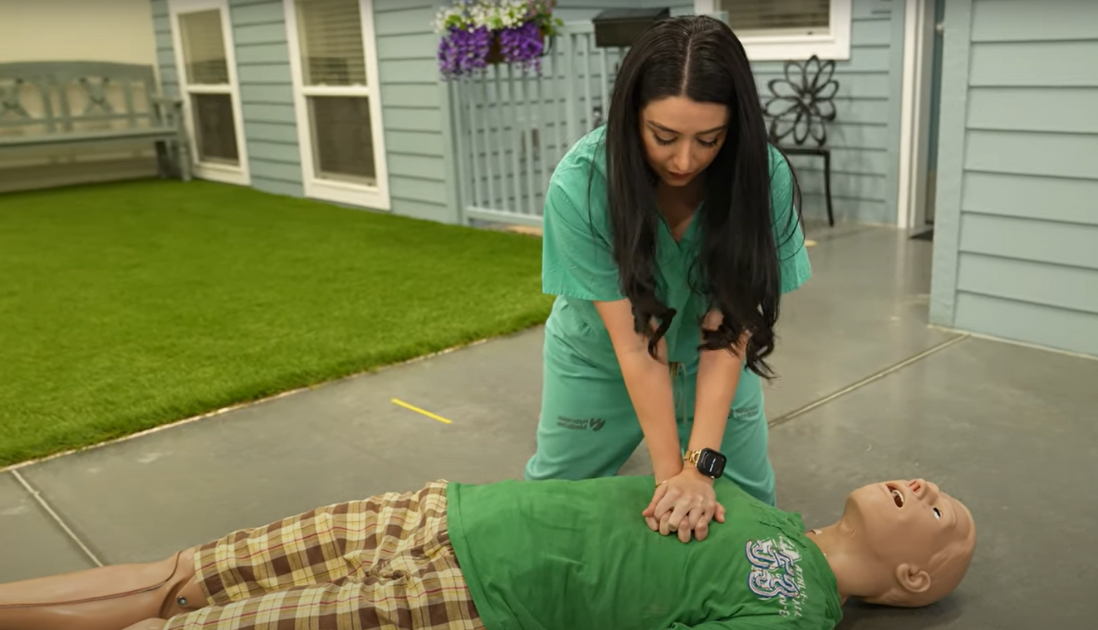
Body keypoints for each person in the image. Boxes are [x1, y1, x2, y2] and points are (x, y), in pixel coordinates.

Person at [526, 14, 812, 544]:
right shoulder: (583, 183)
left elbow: (728, 334)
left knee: (755, 519)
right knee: (549, 511)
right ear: (632, 117)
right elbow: (636, 347)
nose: (684, 159)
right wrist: (670, 481)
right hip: (602, 360)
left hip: (718, 360)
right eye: (663, 136)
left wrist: (699, 471)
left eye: (709, 139)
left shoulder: (761, 178)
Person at [0, 475, 976, 630]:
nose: (927, 488)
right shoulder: (758, 504)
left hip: (474, 601)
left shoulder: (795, 612)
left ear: (915, 578)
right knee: (179, 575)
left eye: (944, 516)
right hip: (439, 510)